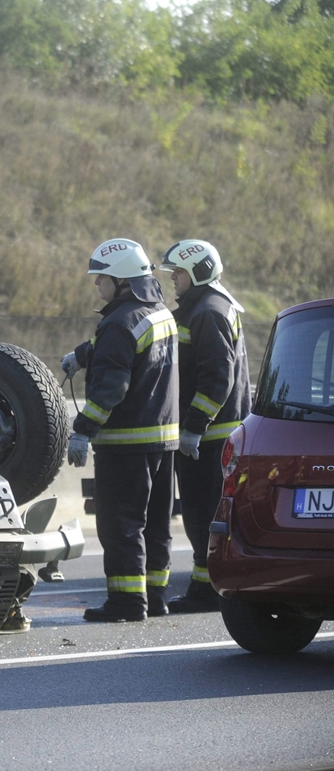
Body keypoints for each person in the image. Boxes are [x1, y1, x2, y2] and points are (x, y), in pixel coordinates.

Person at [62, 238, 179, 622]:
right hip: (163, 440)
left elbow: (111, 386)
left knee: (120, 525)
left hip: (125, 444)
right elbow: (113, 349)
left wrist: (82, 430)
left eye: (102, 279)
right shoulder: (157, 311)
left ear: (122, 280)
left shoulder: (119, 321)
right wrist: (81, 356)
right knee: (156, 524)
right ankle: (155, 596)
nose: (97, 285)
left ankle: (127, 602)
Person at [159, 240, 250, 614]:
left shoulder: (207, 311)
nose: (173, 280)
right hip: (214, 436)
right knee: (204, 514)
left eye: (178, 273)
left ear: (197, 272)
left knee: (202, 513)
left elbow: (216, 378)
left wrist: (195, 426)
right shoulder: (212, 305)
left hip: (210, 440)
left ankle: (208, 590)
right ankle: (205, 585)